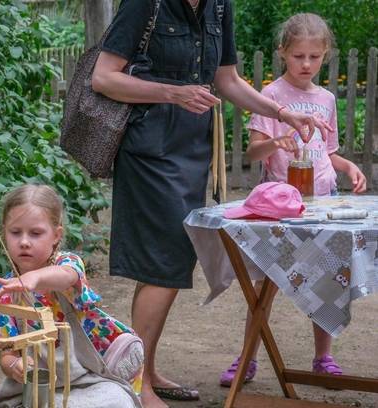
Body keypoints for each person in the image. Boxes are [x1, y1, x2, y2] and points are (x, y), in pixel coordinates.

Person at [90, 0, 333, 406]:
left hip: (192, 150)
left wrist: (281, 113)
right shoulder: (144, 4)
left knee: (169, 261)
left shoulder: (219, 6)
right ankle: (136, 382)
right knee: (162, 263)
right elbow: (103, 78)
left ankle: (144, 369)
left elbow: (228, 80)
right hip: (150, 149)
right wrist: (171, 92)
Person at [219, 13, 366, 387]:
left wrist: (348, 166)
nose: (306, 64)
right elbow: (253, 153)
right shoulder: (271, 96)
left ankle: (323, 358)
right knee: (265, 285)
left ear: (325, 55)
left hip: (324, 201)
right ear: (282, 52)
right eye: (298, 55)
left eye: (314, 57)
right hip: (281, 207)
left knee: (328, 281)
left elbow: (327, 151)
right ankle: (248, 356)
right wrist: (275, 142)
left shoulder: (327, 98)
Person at [0, 184, 142, 408]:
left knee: (117, 402)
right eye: (15, 232)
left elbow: (67, 276)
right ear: (4, 234)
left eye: (36, 233)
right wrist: (15, 366)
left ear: (56, 236)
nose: (24, 241)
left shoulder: (67, 264)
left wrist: (35, 279)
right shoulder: (4, 293)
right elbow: (6, 354)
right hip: (35, 388)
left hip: (88, 377)